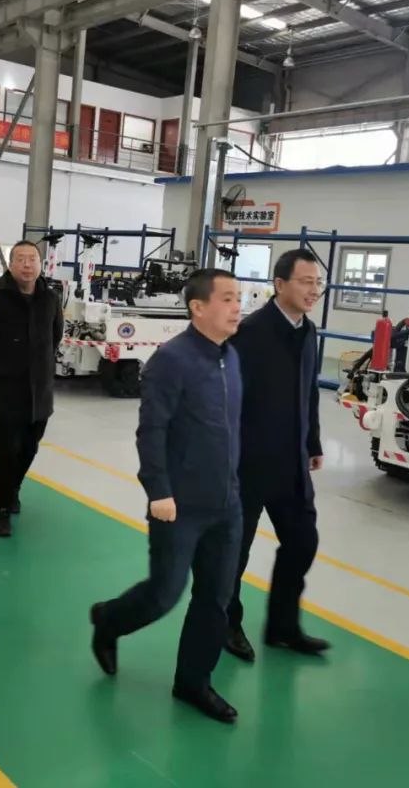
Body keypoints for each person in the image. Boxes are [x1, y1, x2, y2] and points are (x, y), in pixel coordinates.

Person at [89, 269, 243, 724]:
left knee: (215, 598)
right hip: (179, 506)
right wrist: (158, 489)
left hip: (226, 504)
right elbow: (151, 430)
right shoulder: (171, 360)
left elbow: (232, 427)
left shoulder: (231, 357)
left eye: (239, 297)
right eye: (227, 298)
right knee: (164, 594)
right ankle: (108, 620)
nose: (237, 306)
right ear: (198, 307)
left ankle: (193, 682)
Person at [225, 248, 330, 663]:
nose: (314, 290)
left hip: (291, 462)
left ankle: (283, 627)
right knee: (234, 553)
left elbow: (309, 391)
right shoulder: (250, 333)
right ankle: (227, 624)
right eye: (306, 282)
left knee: (302, 541)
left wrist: (313, 442)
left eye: (318, 283)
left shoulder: (308, 331)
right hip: (248, 464)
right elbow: (228, 399)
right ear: (280, 284)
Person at [0, 241, 63, 538]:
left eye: (32, 258)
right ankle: (2, 508)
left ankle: (14, 488)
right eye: (20, 259)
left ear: (40, 264)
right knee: (5, 451)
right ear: (10, 266)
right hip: (7, 389)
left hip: (40, 390)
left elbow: (55, 336)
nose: (27, 264)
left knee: (30, 446)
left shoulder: (51, 300)